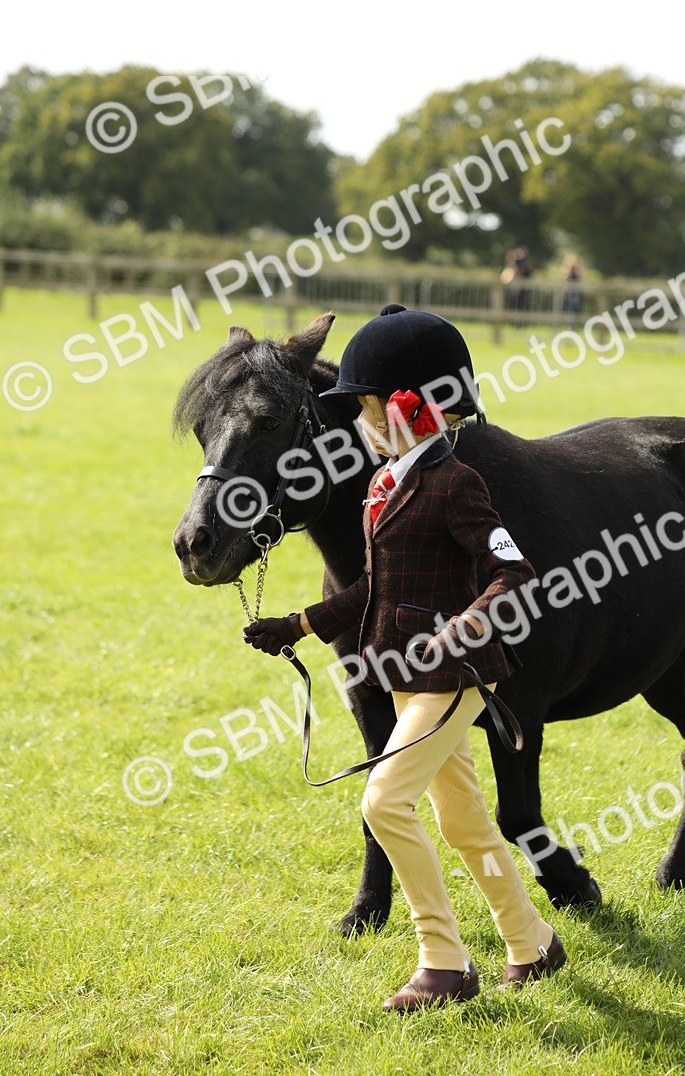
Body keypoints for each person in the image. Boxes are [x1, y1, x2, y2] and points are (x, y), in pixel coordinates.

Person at [244, 305, 565, 1012]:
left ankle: (443, 962)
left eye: (364, 407)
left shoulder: (458, 484)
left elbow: (512, 573)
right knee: (463, 822)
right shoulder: (384, 485)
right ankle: (533, 943)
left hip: (454, 675)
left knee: (385, 802)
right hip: (405, 676)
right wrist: (296, 624)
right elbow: (373, 586)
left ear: (407, 407)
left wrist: (460, 632)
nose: (358, 423)